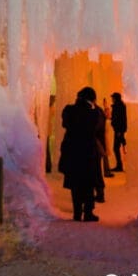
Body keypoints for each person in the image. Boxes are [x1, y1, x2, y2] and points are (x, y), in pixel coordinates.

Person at [59, 86, 101, 222]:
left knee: (75, 183)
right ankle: (88, 212)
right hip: (87, 152)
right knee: (88, 183)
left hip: (72, 151)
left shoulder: (69, 110)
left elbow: (65, 123)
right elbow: (95, 126)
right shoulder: (93, 112)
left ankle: (77, 213)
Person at [110, 92, 127, 172]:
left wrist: (119, 130)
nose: (112, 99)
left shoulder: (118, 107)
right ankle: (120, 165)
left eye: (113, 98)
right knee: (119, 147)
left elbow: (119, 119)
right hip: (119, 130)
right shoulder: (121, 106)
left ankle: (119, 165)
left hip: (118, 130)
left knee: (116, 147)